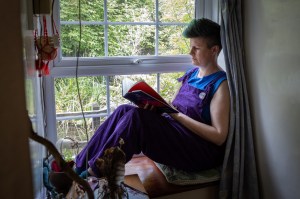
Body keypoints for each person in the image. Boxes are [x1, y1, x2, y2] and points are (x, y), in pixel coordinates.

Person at [75, 18, 230, 178]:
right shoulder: (191, 75)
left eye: (196, 48)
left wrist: (175, 115)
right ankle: (78, 167)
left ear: (214, 50)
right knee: (124, 110)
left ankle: (91, 175)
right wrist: (157, 107)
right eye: (190, 47)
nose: (190, 53)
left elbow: (219, 136)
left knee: (137, 118)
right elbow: (174, 107)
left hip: (198, 150)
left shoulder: (220, 84)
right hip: (177, 134)